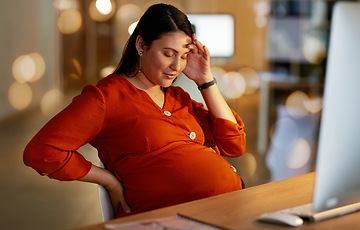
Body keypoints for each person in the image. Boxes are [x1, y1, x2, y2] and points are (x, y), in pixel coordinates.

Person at [23, 3, 246, 218]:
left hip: (225, 213)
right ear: (141, 46)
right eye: (168, 54)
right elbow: (42, 151)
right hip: (167, 225)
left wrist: (205, 80)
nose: (176, 66)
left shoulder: (179, 98)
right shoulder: (107, 97)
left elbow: (234, 145)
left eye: (184, 56)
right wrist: (108, 179)